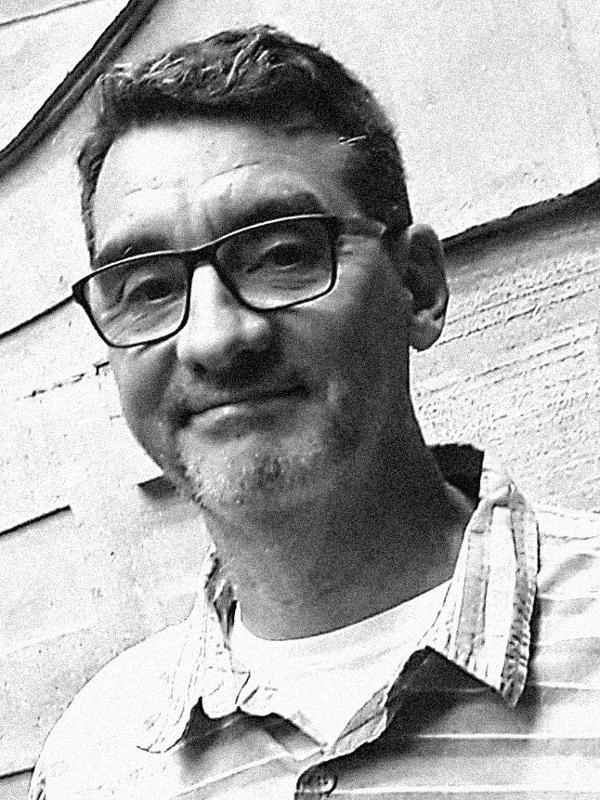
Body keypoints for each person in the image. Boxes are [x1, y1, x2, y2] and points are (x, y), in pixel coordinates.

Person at [29, 25, 600, 800]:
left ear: (419, 287)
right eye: (150, 288)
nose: (215, 337)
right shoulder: (92, 762)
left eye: (283, 254)